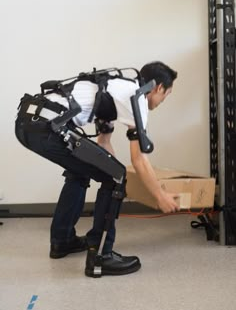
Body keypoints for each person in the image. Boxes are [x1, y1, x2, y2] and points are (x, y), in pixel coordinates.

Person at [15, 61, 179, 278]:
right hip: (48, 126)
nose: (163, 101)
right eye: (166, 94)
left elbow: (103, 144)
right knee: (116, 178)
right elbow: (139, 159)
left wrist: (111, 170)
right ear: (158, 87)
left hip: (30, 122)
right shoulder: (137, 97)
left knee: (86, 171)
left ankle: (62, 241)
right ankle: (101, 257)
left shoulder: (115, 86)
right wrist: (159, 195)